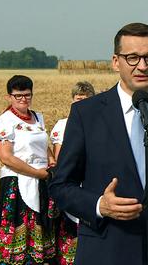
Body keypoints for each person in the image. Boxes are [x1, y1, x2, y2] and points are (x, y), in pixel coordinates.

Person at [48, 22, 148, 265]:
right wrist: (99, 205)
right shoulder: (85, 114)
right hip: (106, 250)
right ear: (115, 61)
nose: (142, 66)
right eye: (132, 57)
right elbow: (60, 186)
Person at [0, 75, 56, 264]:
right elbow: (6, 157)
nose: (23, 99)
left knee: (42, 232)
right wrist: (37, 173)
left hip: (41, 180)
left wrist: (51, 163)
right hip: (16, 183)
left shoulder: (38, 117)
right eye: (18, 95)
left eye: (27, 95)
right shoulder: (4, 121)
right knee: (18, 234)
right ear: (9, 97)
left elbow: (44, 145)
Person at [50, 81, 95, 265]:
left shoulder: (100, 123)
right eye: (78, 99)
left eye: (86, 99)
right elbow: (60, 158)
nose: (81, 103)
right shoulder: (62, 125)